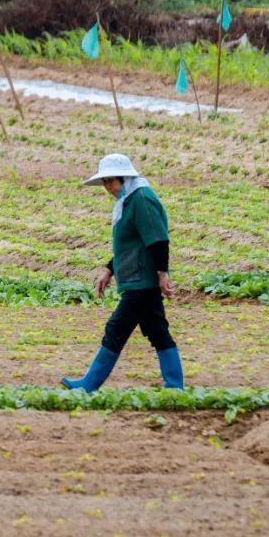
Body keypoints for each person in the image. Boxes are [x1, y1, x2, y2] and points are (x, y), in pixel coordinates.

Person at [62, 153, 184, 392]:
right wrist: (109, 270)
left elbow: (158, 240)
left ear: (125, 177)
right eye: (105, 182)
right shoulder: (129, 200)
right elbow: (130, 245)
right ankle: (175, 385)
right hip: (135, 278)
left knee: (116, 328)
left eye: (111, 181)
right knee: (157, 331)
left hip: (142, 281)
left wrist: (162, 274)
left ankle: (89, 385)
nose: (107, 187)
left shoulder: (141, 199)